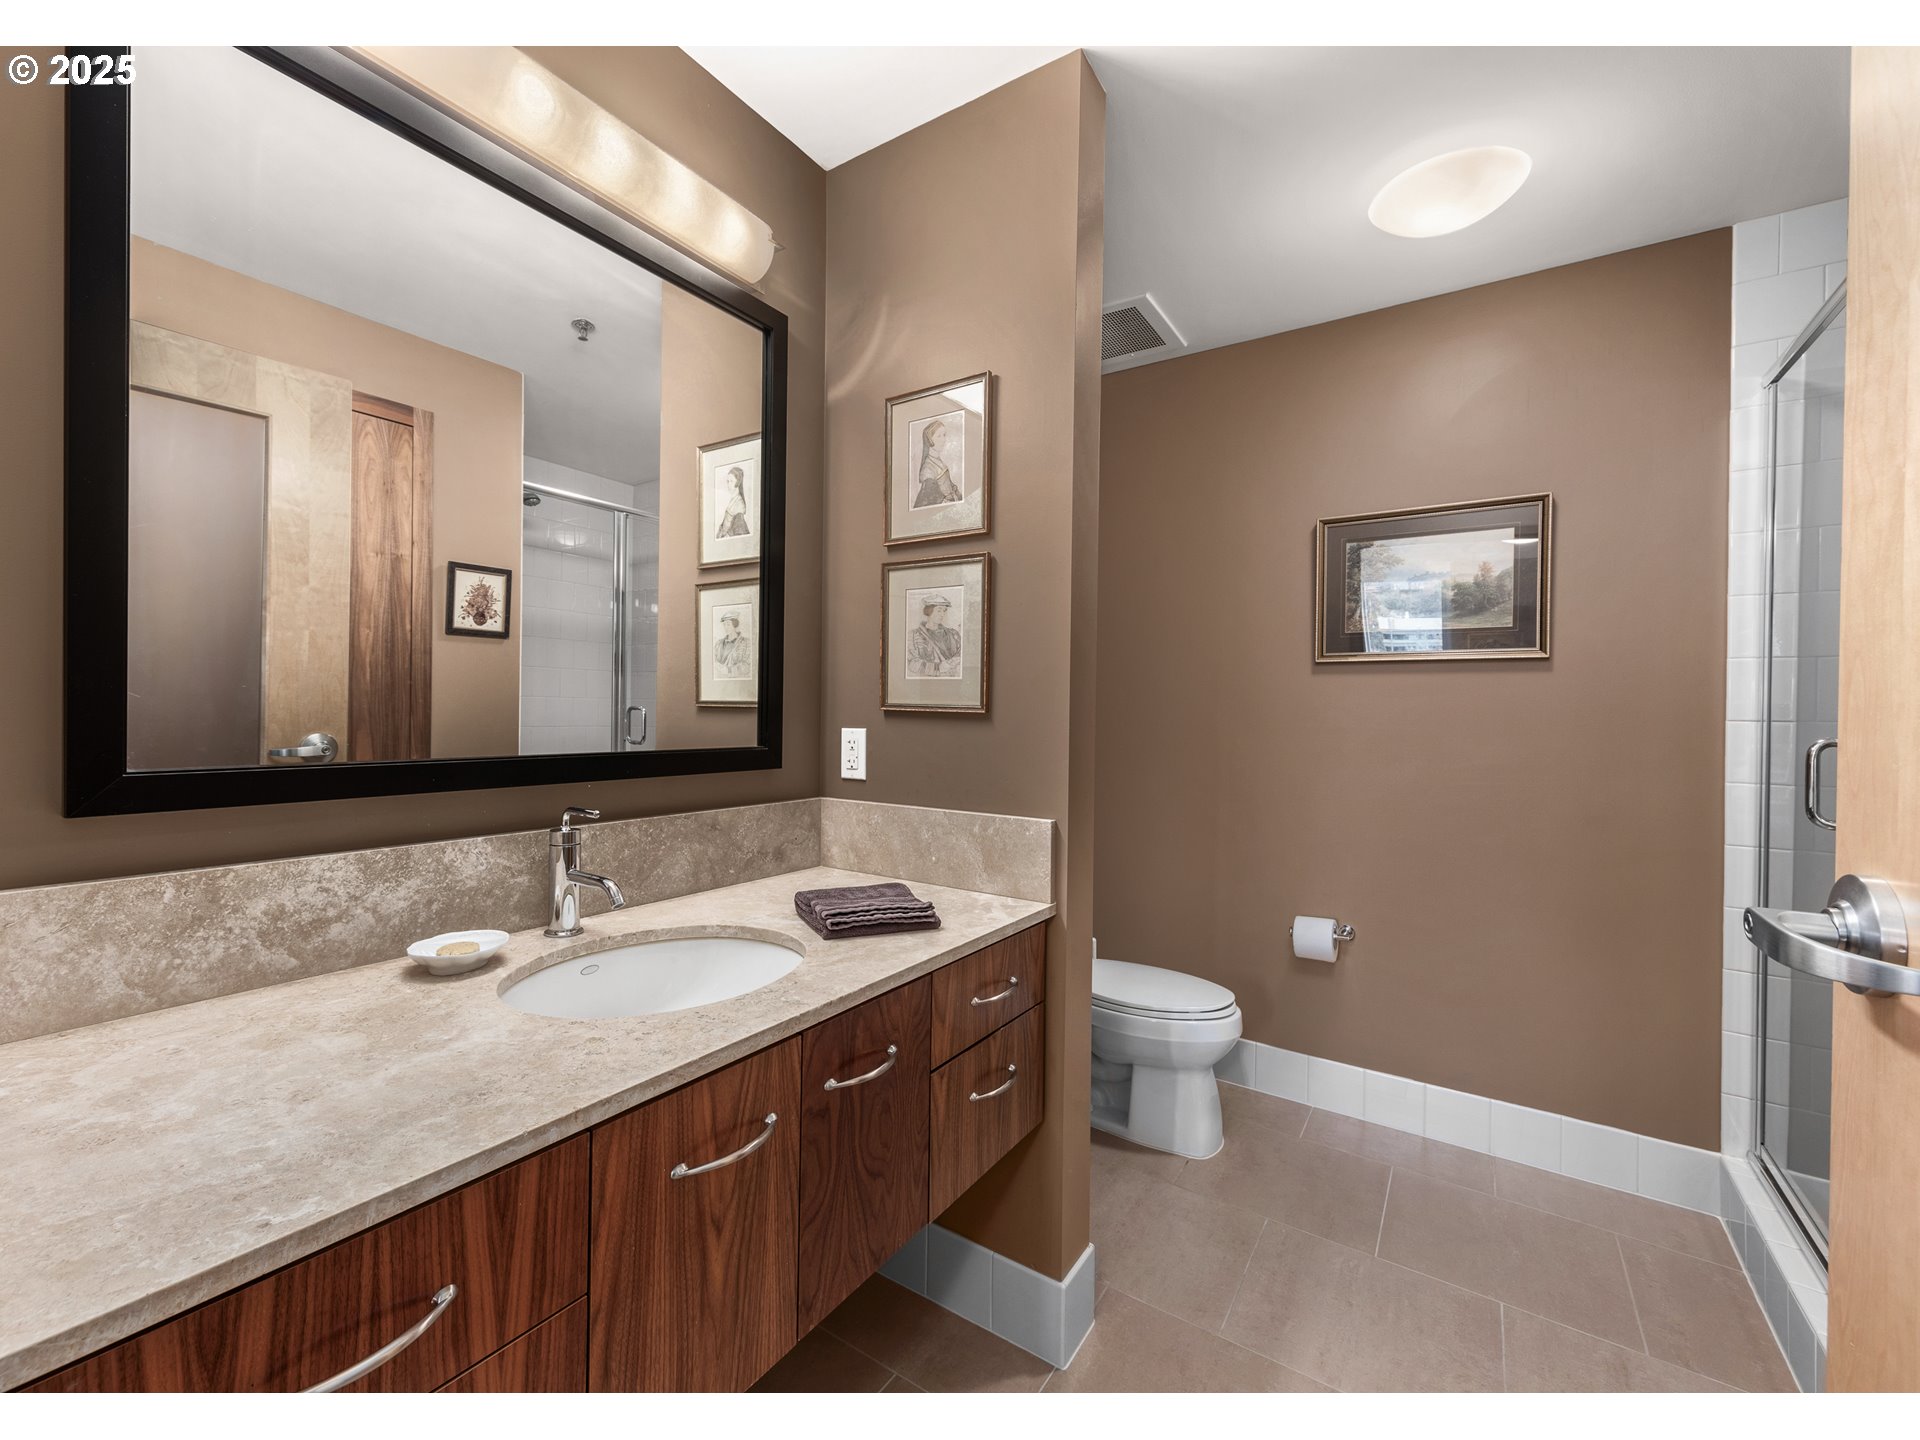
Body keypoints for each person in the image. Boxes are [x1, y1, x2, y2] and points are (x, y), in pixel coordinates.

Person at [906, 595, 963, 678]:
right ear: (929, 611)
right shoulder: (913, 635)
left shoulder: (953, 634)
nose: (942, 614)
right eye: (939, 610)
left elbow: (961, 655)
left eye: (944, 611)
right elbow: (912, 663)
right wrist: (938, 668)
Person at [913, 418, 962, 508]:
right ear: (930, 440)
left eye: (944, 435)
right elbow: (930, 502)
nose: (944, 439)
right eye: (939, 436)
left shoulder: (939, 462)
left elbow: (951, 486)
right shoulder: (927, 469)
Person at [715, 466, 751, 538]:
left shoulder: (739, 503)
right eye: (727, 481)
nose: (728, 484)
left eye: (731, 481)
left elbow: (737, 530)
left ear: (737, 482)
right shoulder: (733, 499)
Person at [714, 612, 752, 678]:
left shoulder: (746, 642)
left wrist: (728, 670)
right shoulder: (718, 643)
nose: (725, 627)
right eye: (724, 625)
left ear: (735, 625)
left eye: (728, 624)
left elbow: (748, 666)